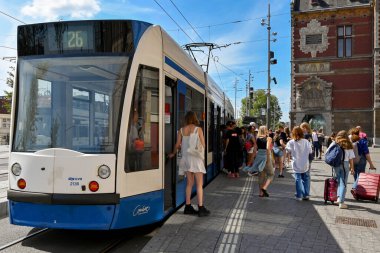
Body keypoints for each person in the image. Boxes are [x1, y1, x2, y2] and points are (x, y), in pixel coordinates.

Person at [168, 111, 210, 217]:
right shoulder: (198, 129)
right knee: (199, 184)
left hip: (185, 159)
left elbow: (177, 145)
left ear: (186, 119)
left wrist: (173, 153)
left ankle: (188, 206)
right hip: (195, 159)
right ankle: (201, 208)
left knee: (189, 183)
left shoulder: (181, 130)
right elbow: (204, 145)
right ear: (194, 118)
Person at [325, 130, 355, 209]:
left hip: (336, 165)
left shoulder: (335, 142)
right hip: (345, 164)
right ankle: (341, 201)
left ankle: (338, 197)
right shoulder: (348, 144)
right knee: (343, 182)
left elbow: (327, 152)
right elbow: (351, 158)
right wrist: (352, 168)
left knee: (339, 180)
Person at [245, 126, 274, 197]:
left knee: (261, 175)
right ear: (266, 130)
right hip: (266, 156)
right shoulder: (268, 138)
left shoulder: (257, 139)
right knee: (271, 174)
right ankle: (264, 188)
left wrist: (250, 163)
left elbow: (254, 151)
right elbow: (267, 148)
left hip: (259, 157)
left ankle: (260, 193)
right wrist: (268, 159)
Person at [285, 126, 312, 201]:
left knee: (298, 179)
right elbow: (310, 151)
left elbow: (288, 151)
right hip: (305, 163)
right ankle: (306, 194)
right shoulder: (306, 141)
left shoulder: (291, 142)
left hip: (296, 163)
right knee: (306, 179)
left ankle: (299, 195)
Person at [350, 128, 376, 199]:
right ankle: (354, 188)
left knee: (356, 176)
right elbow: (367, 154)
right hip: (361, 160)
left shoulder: (350, 141)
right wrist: (371, 164)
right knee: (361, 175)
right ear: (359, 133)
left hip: (353, 160)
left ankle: (357, 192)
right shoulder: (362, 141)